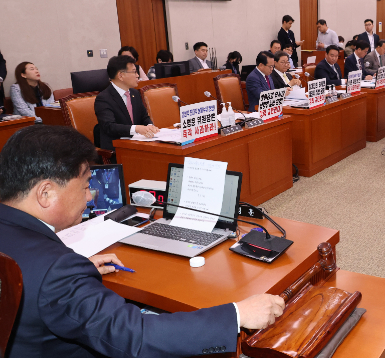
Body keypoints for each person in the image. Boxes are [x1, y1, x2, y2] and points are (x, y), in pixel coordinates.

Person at [0, 124, 286, 358]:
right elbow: (132, 336)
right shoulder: (57, 270)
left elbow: (34, 277)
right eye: (86, 185)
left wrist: (74, 273)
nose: (89, 198)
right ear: (45, 193)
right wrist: (236, 314)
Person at [94, 56, 159, 152]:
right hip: (117, 150)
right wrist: (136, 128)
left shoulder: (135, 93)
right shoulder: (103, 98)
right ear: (120, 76)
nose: (137, 76)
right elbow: (109, 126)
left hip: (137, 145)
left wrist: (150, 125)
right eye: (134, 72)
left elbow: (144, 117)